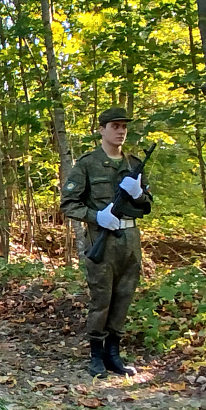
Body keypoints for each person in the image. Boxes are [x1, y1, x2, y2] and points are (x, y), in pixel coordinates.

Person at [60, 107, 152, 378]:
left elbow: (147, 206)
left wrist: (138, 195)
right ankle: (96, 354)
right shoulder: (88, 164)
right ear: (101, 129)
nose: (121, 131)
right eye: (115, 126)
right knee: (102, 298)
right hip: (102, 239)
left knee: (124, 296)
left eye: (124, 126)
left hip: (130, 240)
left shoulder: (134, 164)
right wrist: (96, 217)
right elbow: (68, 204)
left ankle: (114, 354)